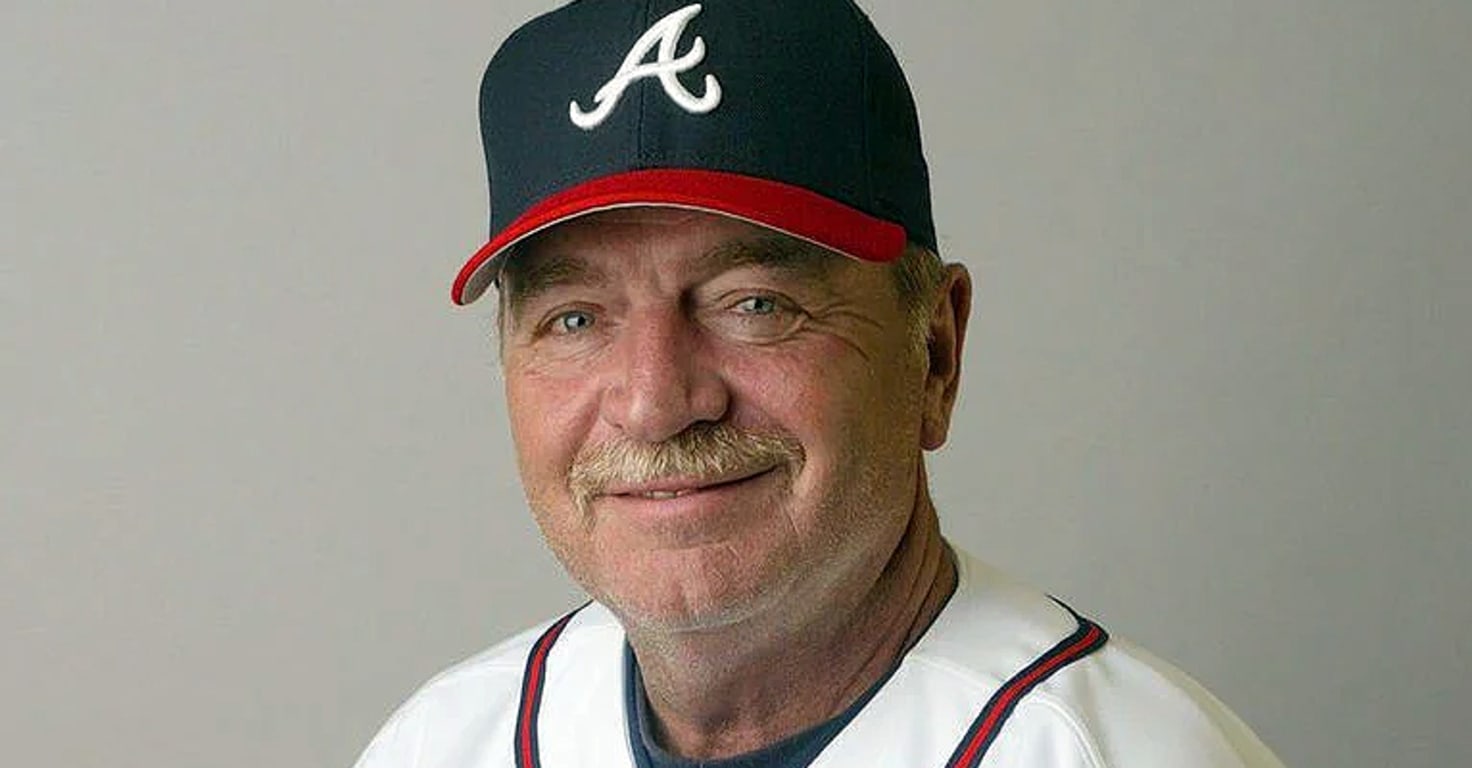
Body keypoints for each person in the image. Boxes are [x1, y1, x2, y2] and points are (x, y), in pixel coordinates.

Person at [354, 1, 1286, 766]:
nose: (655, 400)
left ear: (934, 352)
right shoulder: (438, 746)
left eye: (753, 303)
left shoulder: (1116, 754)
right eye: (575, 319)